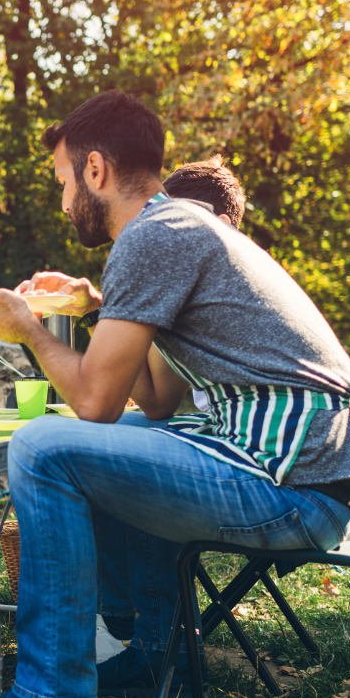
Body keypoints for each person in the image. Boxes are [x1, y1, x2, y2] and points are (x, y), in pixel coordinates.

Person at [0, 89, 350, 698]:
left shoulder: (152, 236)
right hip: (310, 474)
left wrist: (29, 330)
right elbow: (154, 398)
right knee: (128, 441)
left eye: (62, 181)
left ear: (95, 170)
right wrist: (96, 309)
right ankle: (153, 653)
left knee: (41, 445)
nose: (63, 203)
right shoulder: (177, 229)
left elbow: (92, 402)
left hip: (292, 483)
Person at [96, 155, 248, 662]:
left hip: (272, 467)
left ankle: (153, 644)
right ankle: (121, 625)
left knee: (141, 463)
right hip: (234, 444)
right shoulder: (185, 281)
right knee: (105, 439)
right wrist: (111, 314)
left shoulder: (234, 281)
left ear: (219, 224)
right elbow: (158, 400)